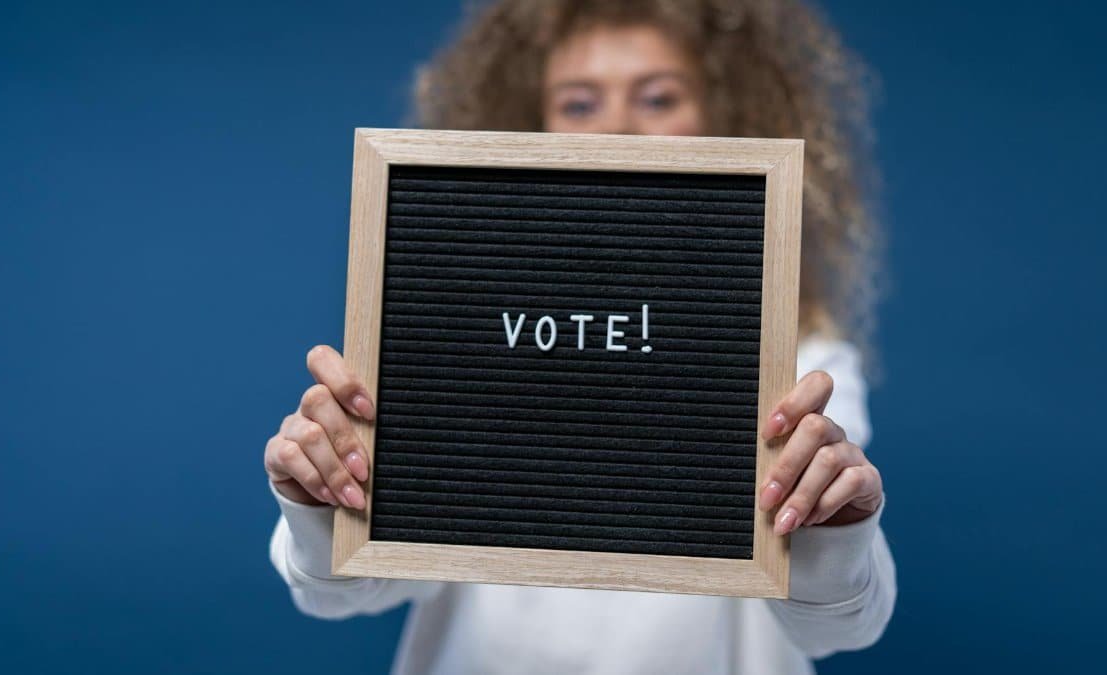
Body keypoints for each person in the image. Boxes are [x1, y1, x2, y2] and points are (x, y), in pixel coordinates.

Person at [264, 1, 895, 673]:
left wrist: (831, 529)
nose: (619, 127)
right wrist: (324, 499)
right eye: (579, 103)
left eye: (658, 98)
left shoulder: (803, 358)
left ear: (724, 110)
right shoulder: (458, 327)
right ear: (532, 120)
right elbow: (349, 590)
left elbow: (839, 627)